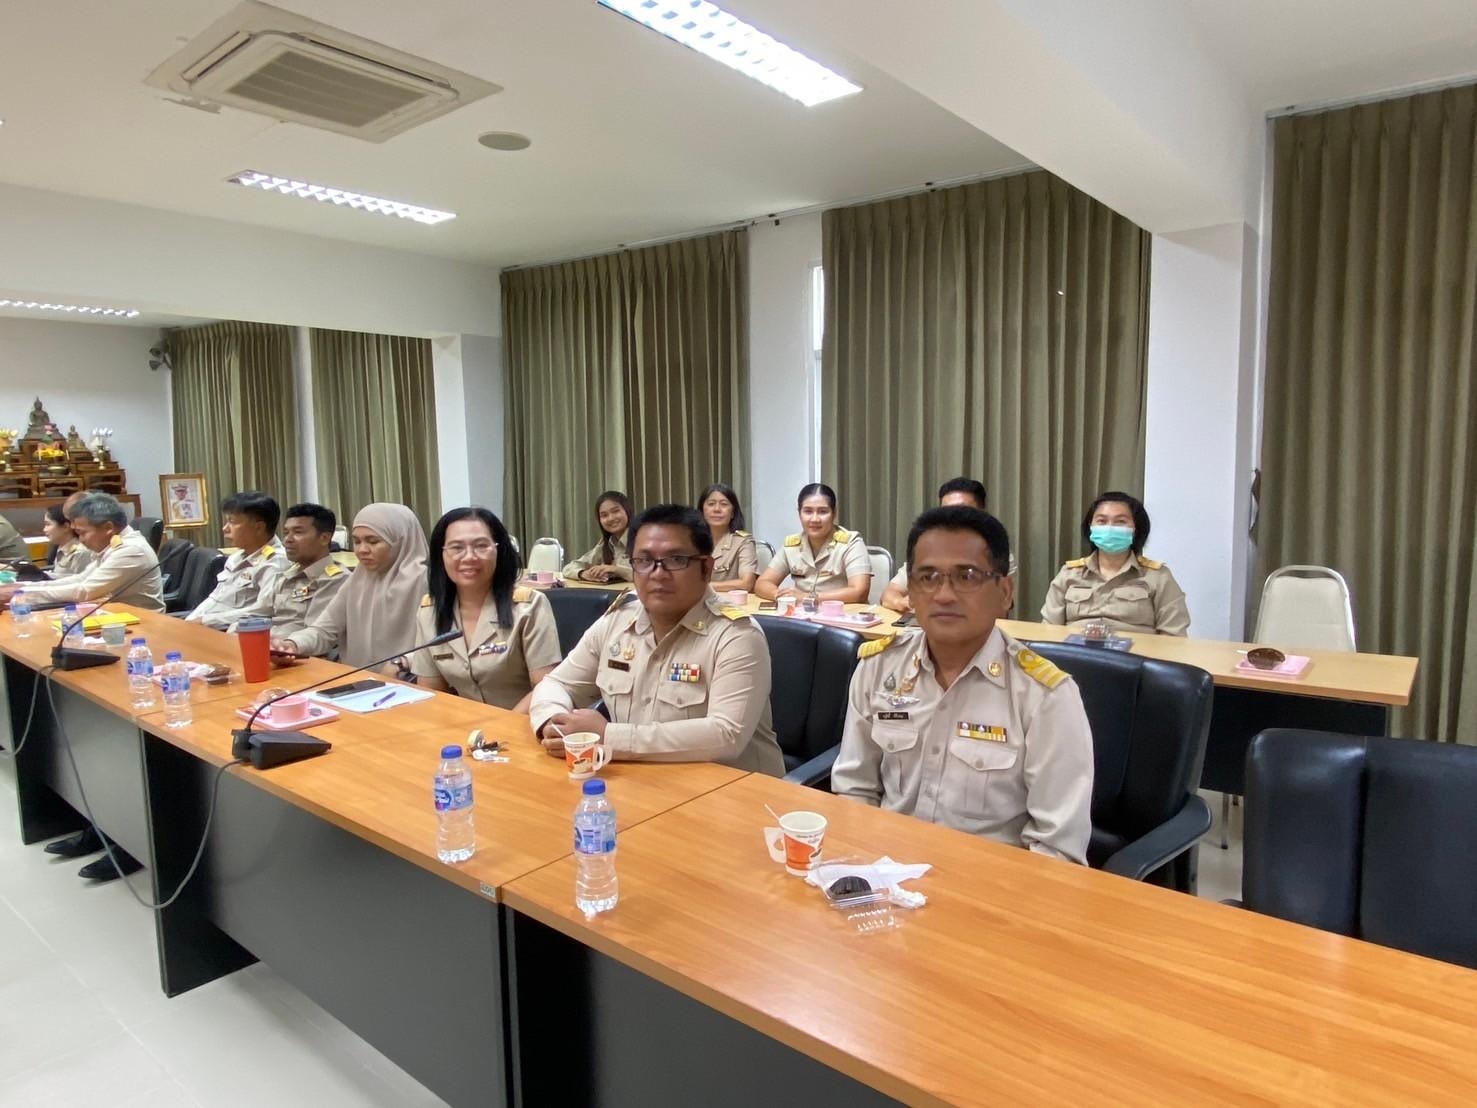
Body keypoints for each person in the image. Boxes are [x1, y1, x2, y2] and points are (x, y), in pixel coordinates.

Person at [832, 507, 1094, 864]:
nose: (944, 594)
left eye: (966, 576)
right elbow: (854, 789)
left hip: (989, 884)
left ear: (1005, 592)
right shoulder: (878, 668)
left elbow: (1056, 850)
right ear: (910, 591)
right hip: (884, 872)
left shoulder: (1045, 697)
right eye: (928, 577)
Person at [531, 503, 784, 774]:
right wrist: (553, 722)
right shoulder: (617, 621)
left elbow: (726, 735)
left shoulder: (737, 635)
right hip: (642, 779)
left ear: (706, 568)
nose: (658, 573)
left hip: (734, 788)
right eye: (644, 561)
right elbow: (558, 683)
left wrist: (610, 736)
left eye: (676, 560)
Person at [410, 507, 562, 711]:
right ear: (441, 555)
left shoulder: (528, 606)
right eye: (456, 548)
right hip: (462, 724)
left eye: (481, 546)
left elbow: (545, 687)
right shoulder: (429, 611)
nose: (469, 557)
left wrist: (501, 725)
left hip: (523, 721)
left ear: (499, 550)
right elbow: (432, 691)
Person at [273, 503, 428, 669]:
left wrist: (402, 664)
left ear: (400, 541)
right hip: (359, 677)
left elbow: (437, 648)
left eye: (373, 541)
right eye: (356, 541)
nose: (362, 550)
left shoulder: (426, 582)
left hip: (411, 678)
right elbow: (324, 630)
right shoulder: (358, 580)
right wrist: (292, 645)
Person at [1041, 491, 1190, 636]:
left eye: (1120, 522)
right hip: (1075, 651)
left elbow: (1173, 636)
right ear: (1090, 527)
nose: (1110, 528)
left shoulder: (1158, 576)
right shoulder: (1069, 574)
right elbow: (1049, 631)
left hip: (1135, 652)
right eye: (1102, 521)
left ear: (1136, 529)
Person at [0, 491, 163, 611]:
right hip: (116, 616)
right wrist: (25, 586)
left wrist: (21, 594)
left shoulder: (131, 551)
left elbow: (85, 590)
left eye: (82, 533)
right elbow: (82, 579)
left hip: (146, 625)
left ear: (108, 528)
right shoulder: (114, 543)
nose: (81, 540)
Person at [880, 478, 1016, 613]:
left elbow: (1000, 612)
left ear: (981, 513)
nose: (952, 519)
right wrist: (903, 602)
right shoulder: (927, 552)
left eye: (962, 512)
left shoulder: (996, 553)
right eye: (945, 512)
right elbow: (889, 595)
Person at [185, 491, 289, 630]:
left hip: (227, 632)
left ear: (259, 527)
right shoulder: (237, 557)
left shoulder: (275, 563)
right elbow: (216, 599)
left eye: (232, 522)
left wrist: (205, 621)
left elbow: (264, 611)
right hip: (197, 627)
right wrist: (189, 621)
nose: (225, 528)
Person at [754, 483, 871, 605]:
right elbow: (762, 583)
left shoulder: (851, 543)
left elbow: (860, 591)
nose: (815, 519)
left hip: (844, 613)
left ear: (834, 513)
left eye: (823, 512)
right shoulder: (792, 545)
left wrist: (808, 598)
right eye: (808, 511)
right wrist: (781, 596)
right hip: (802, 614)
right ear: (799, 513)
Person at [250, 503, 349, 641]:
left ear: (324, 538)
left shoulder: (335, 580)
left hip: (294, 648)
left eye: (298, 532)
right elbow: (259, 612)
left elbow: (317, 634)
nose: (288, 540)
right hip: (267, 642)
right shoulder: (287, 574)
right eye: (286, 533)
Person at [562, 491, 634, 583]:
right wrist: (583, 574)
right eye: (604, 515)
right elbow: (569, 568)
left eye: (615, 511)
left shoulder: (642, 539)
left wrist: (616, 570)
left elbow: (648, 576)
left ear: (627, 511)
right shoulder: (607, 543)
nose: (611, 518)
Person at [699, 482, 758, 592]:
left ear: (732, 513)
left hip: (728, 601)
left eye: (724, 504)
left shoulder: (743, 542)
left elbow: (746, 583)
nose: (717, 509)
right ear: (702, 511)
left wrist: (701, 587)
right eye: (711, 504)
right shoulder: (691, 541)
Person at [42, 503, 95, 578]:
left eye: (48, 524)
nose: (44, 529)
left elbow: (81, 581)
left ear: (66, 527)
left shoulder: (81, 552)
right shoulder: (59, 547)